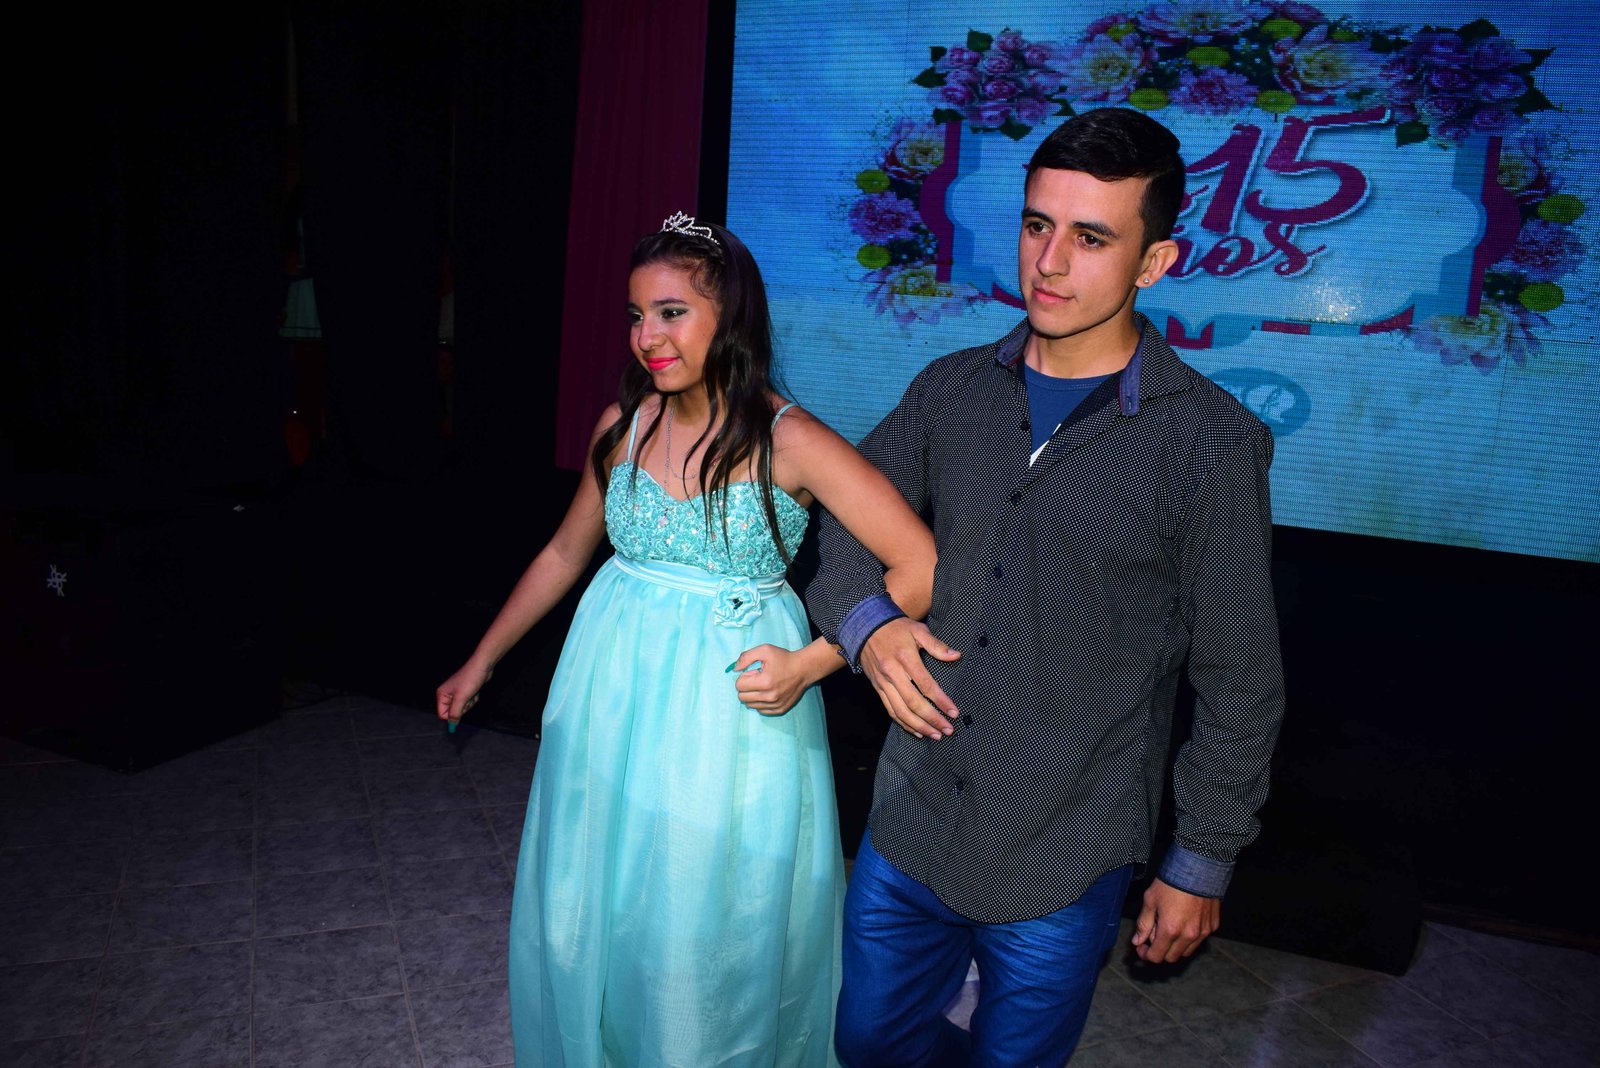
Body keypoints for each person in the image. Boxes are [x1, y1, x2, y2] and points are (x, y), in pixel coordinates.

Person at [804, 107, 1285, 1065]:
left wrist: (1200, 861)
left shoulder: (1209, 442)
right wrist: (869, 625)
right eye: (1037, 225)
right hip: (914, 817)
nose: (1050, 263)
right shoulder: (950, 388)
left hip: (1063, 845)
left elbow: (1240, 678)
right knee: (868, 1047)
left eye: (1091, 238)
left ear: (1154, 262)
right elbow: (844, 514)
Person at [435, 213, 936, 1066]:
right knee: (599, 899)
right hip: (610, 691)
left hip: (729, 712)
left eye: (672, 312)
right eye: (636, 315)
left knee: (705, 922)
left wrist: (811, 664)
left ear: (730, 317)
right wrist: (480, 659)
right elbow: (563, 554)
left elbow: (919, 565)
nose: (648, 337)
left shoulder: (791, 439)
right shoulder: (621, 427)